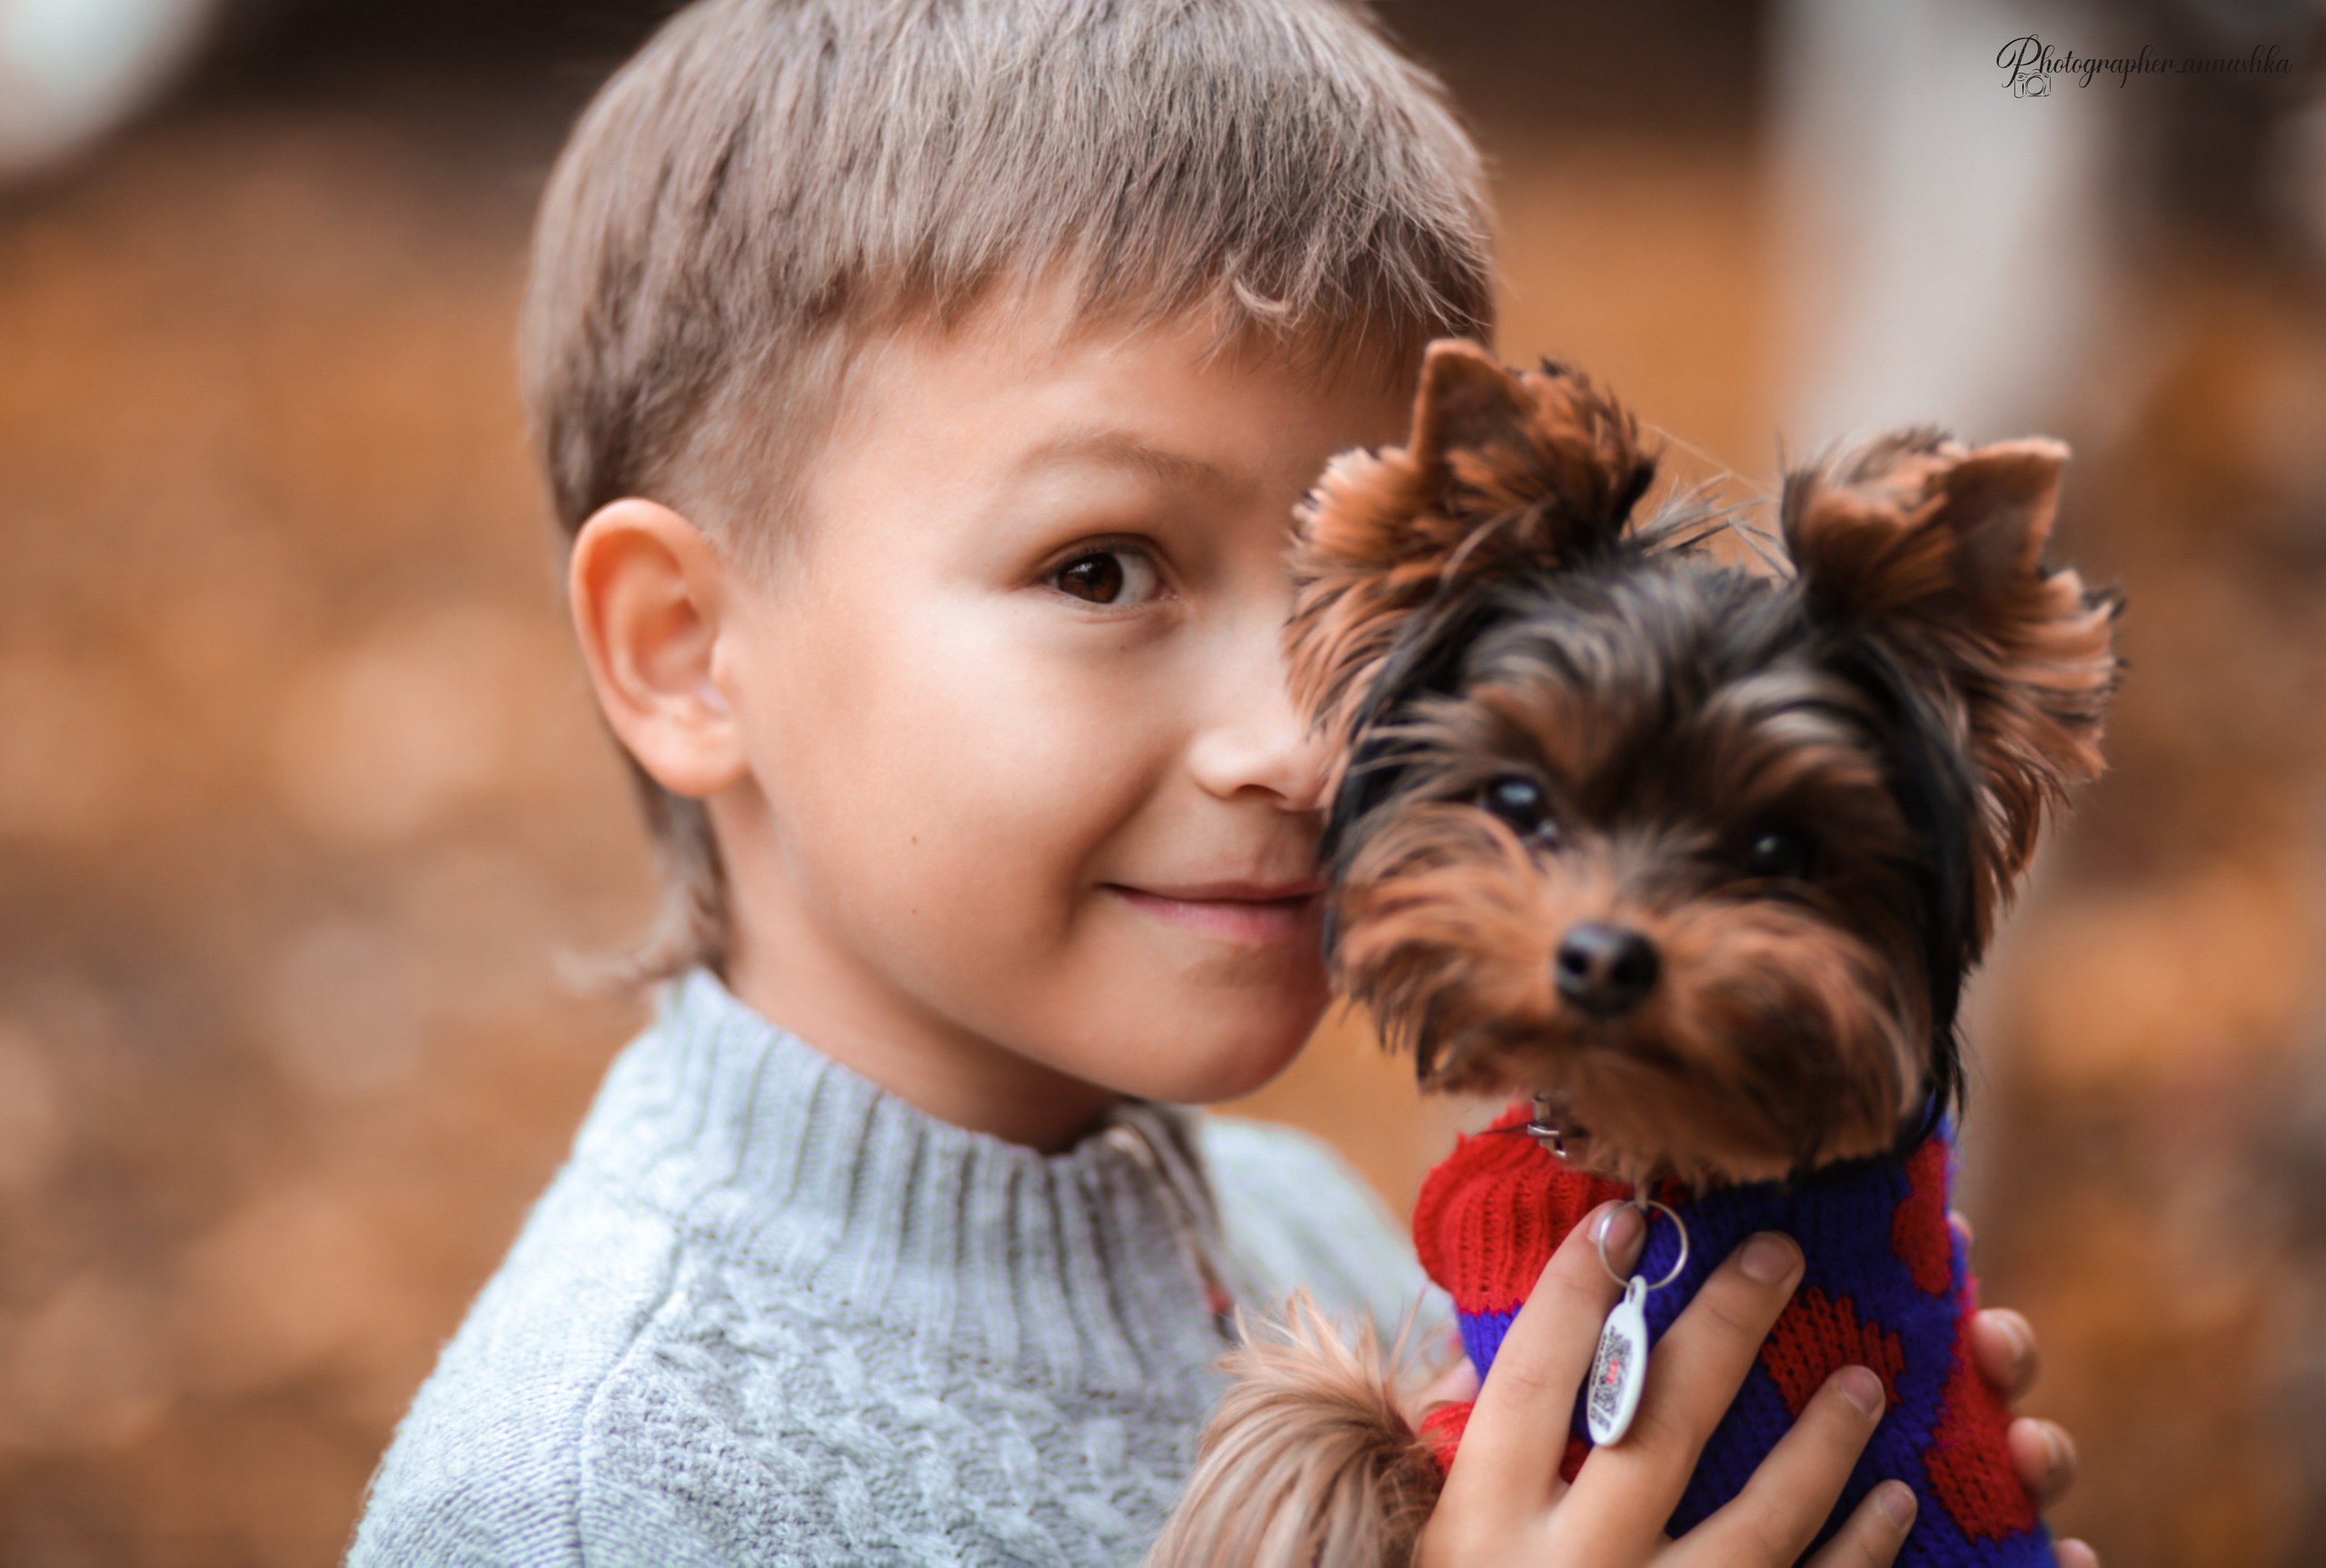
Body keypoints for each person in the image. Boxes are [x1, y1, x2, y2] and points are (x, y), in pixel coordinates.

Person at [346, 1, 2092, 1563]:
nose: (1317, 738)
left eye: (1375, 616)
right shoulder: (576, 1500)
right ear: (684, 649)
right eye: (1102, 570)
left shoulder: (1323, 1242)